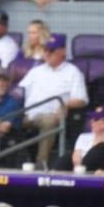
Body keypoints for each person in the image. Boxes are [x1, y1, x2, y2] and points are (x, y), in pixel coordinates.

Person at [18, 33, 89, 169]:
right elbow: (19, 91)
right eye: (45, 50)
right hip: (25, 113)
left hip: (50, 115)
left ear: (62, 51)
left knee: (49, 121)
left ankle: (41, 163)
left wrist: (66, 104)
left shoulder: (72, 72)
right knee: (1, 119)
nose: (47, 54)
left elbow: (82, 99)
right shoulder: (36, 71)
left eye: (51, 51)